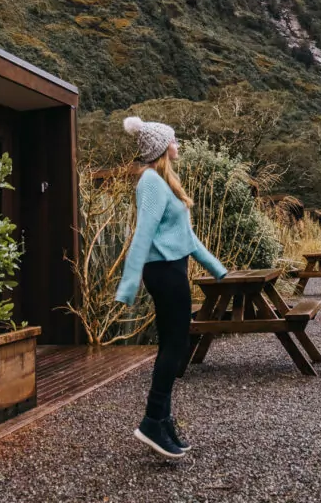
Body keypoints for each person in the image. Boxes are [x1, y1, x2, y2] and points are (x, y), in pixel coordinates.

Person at [115, 116, 227, 460]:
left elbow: (187, 238)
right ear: (162, 148)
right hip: (163, 273)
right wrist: (128, 285)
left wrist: (218, 269)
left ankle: (160, 419)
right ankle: (152, 420)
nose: (178, 144)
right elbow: (143, 234)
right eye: (174, 140)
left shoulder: (165, 183)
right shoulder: (150, 182)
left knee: (174, 345)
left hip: (171, 270)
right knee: (175, 347)